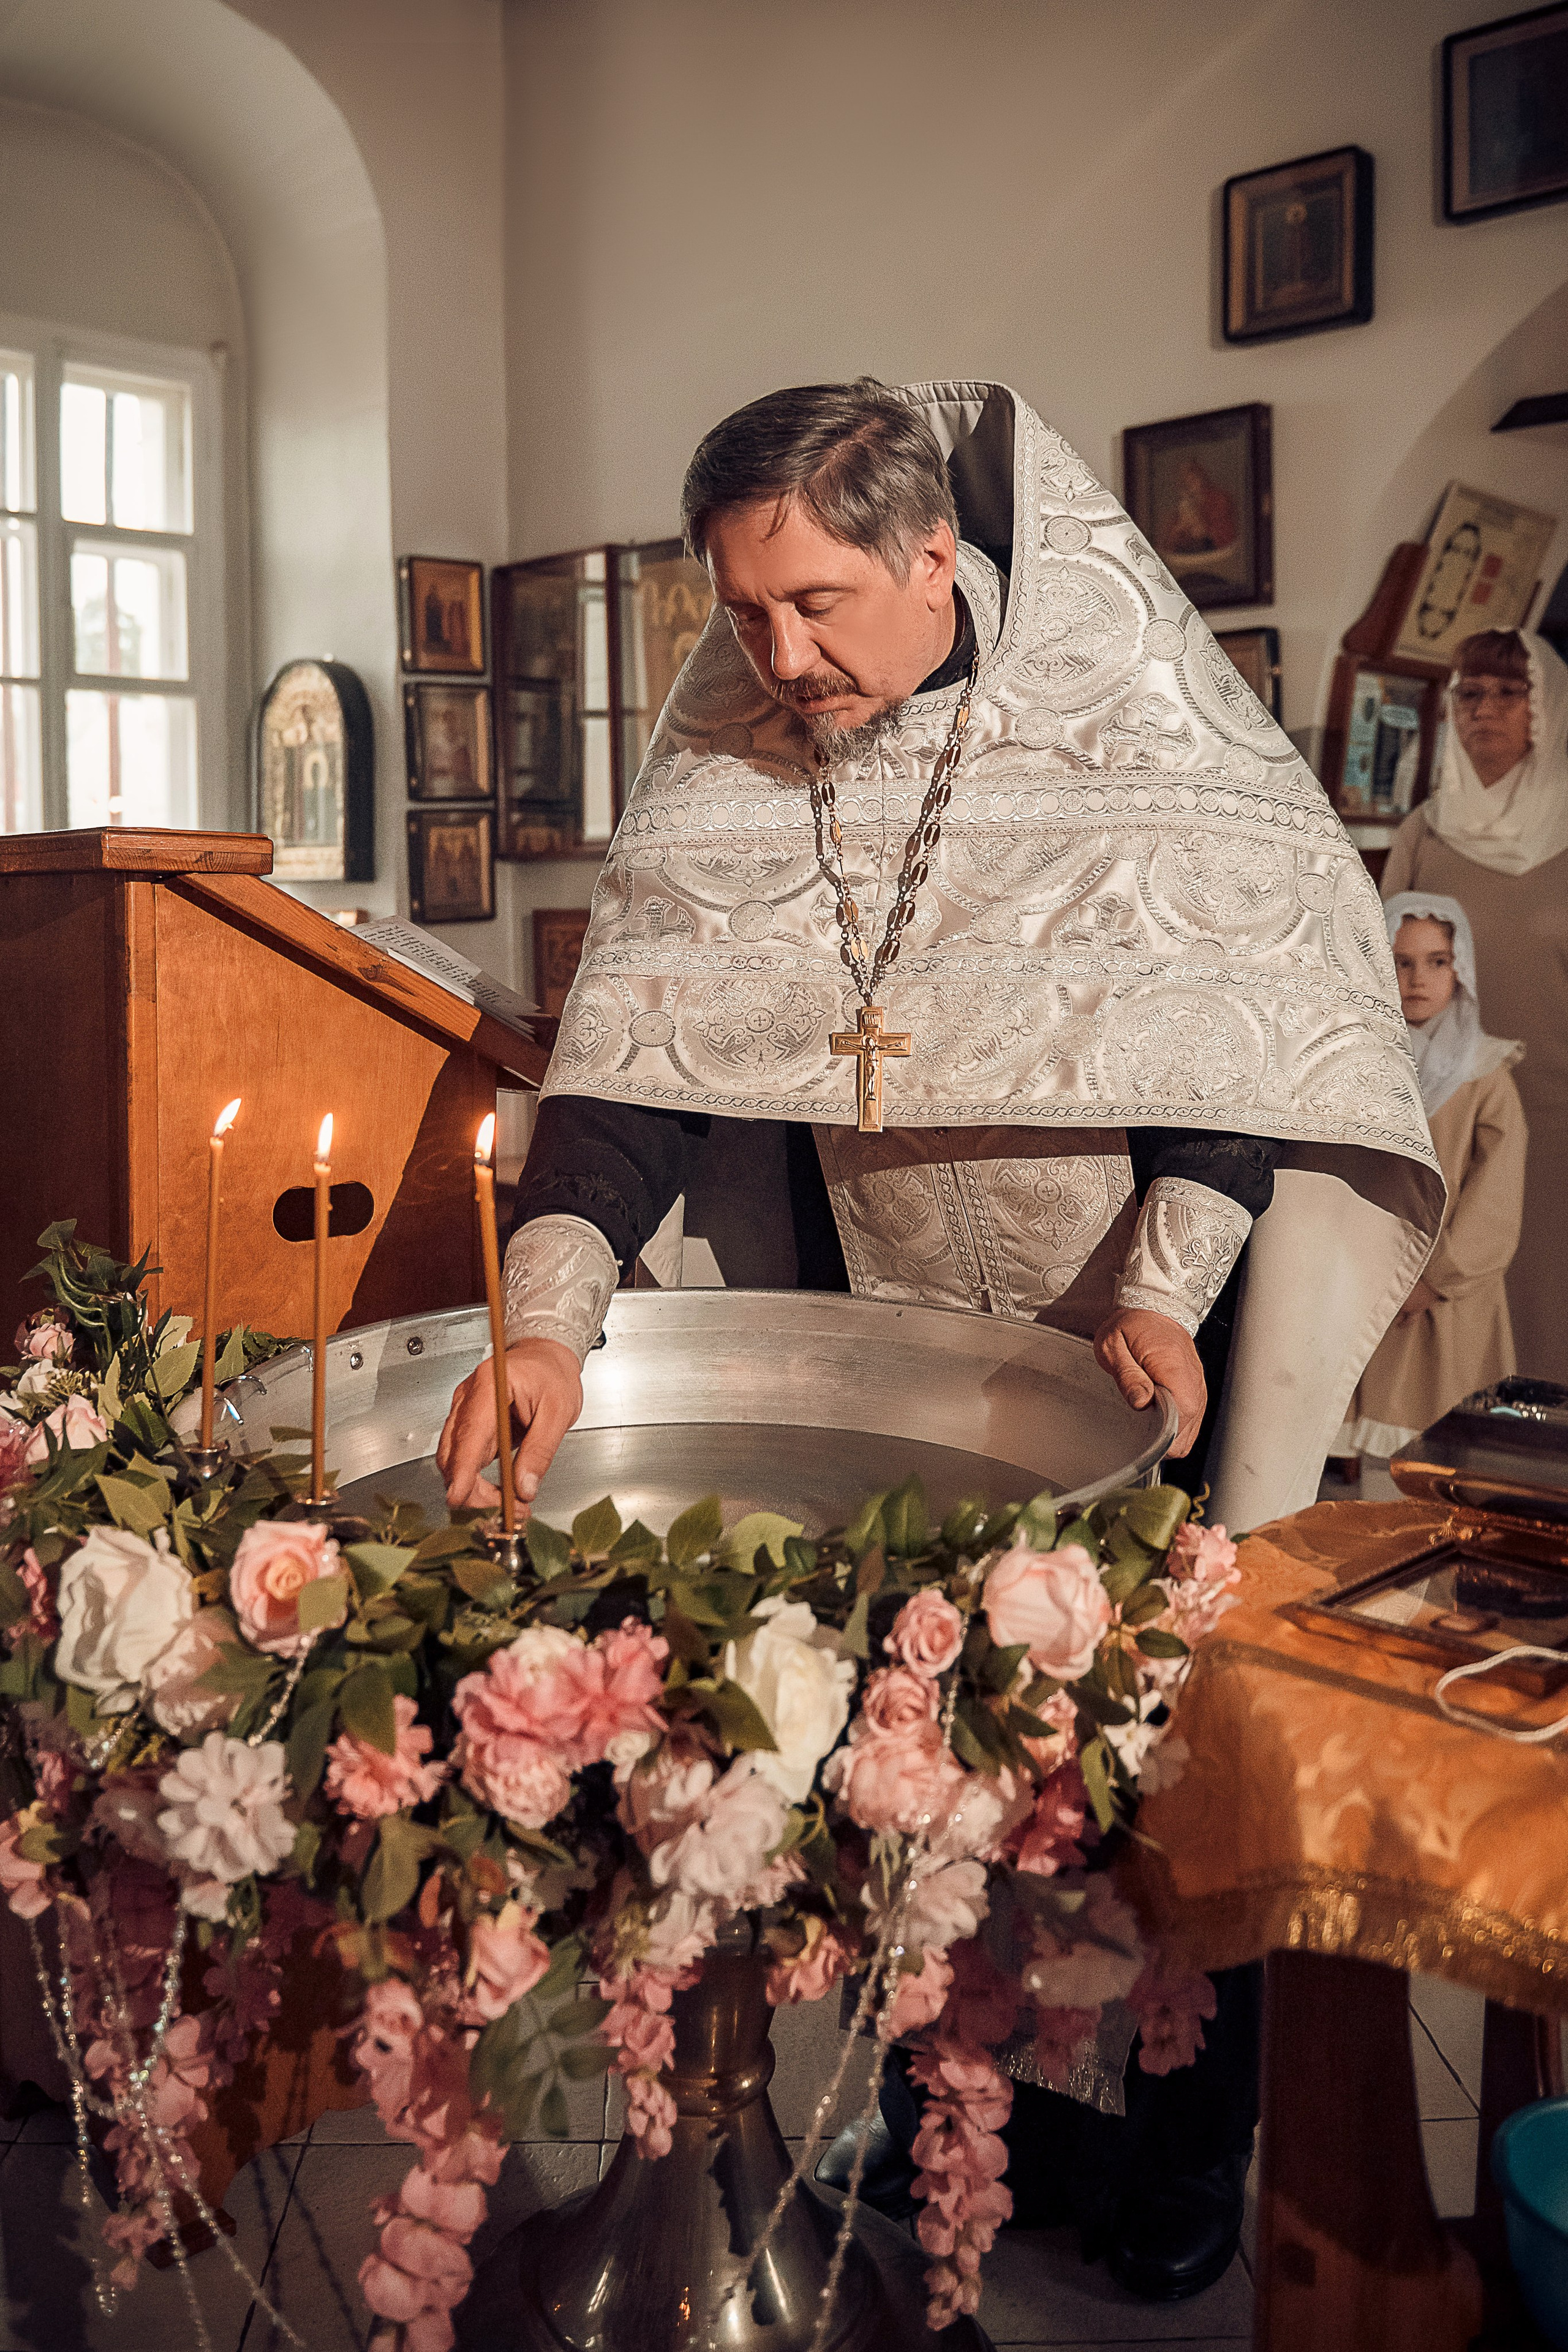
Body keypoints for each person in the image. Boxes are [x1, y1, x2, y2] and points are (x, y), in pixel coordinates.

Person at [439, 380, 1443, 2298]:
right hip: (888, 1346)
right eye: (740, 611)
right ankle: (940, 2112)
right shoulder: (734, 731)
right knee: (916, 1743)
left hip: (1144, 1323)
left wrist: (1160, 1279)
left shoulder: (1129, 709)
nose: (777, 656)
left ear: (929, 555)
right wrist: (553, 1315)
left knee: (1149, 1755)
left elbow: (1225, 1047)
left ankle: (1173, 2152)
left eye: (816, 603)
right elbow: (643, 1072)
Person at [1382, 629, 1568, 1381]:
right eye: (1468, 693)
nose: (1484, 709)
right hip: (1449, 1116)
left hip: (1558, 1116)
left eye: (1507, 691)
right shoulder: (1424, 833)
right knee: (1451, 1340)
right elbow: (1377, 972)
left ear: (1546, 709)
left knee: (1549, 1305)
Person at [1336, 894, 1525, 1468]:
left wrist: (1434, 1278)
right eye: (1401, 961)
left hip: (1443, 1295)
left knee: (1430, 1452)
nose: (1419, 979)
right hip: (1364, 1276)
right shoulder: (1354, 1060)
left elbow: (1494, 1201)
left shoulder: (1485, 1078)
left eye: (1437, 962)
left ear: (1460, 967)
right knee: (1363, 1452)